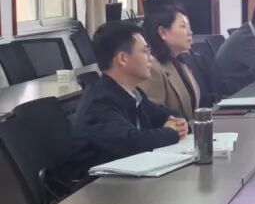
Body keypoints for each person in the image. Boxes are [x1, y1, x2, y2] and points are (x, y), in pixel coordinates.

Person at [61, 21, 189, 179]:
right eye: (145, 52)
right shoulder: (99, 103)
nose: (150, 58)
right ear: (122, 59)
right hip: (98, 187)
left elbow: (164, 114)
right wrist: (171, 132)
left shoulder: (132, 92)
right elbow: (132, 143)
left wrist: (177, 122)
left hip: (128, 178)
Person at [141, 6, 201, 121]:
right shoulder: (152, 68)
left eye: (189, 27)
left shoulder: (180, 62)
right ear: (163, 32)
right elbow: (153, 118)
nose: (190, 32)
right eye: (183, 26)